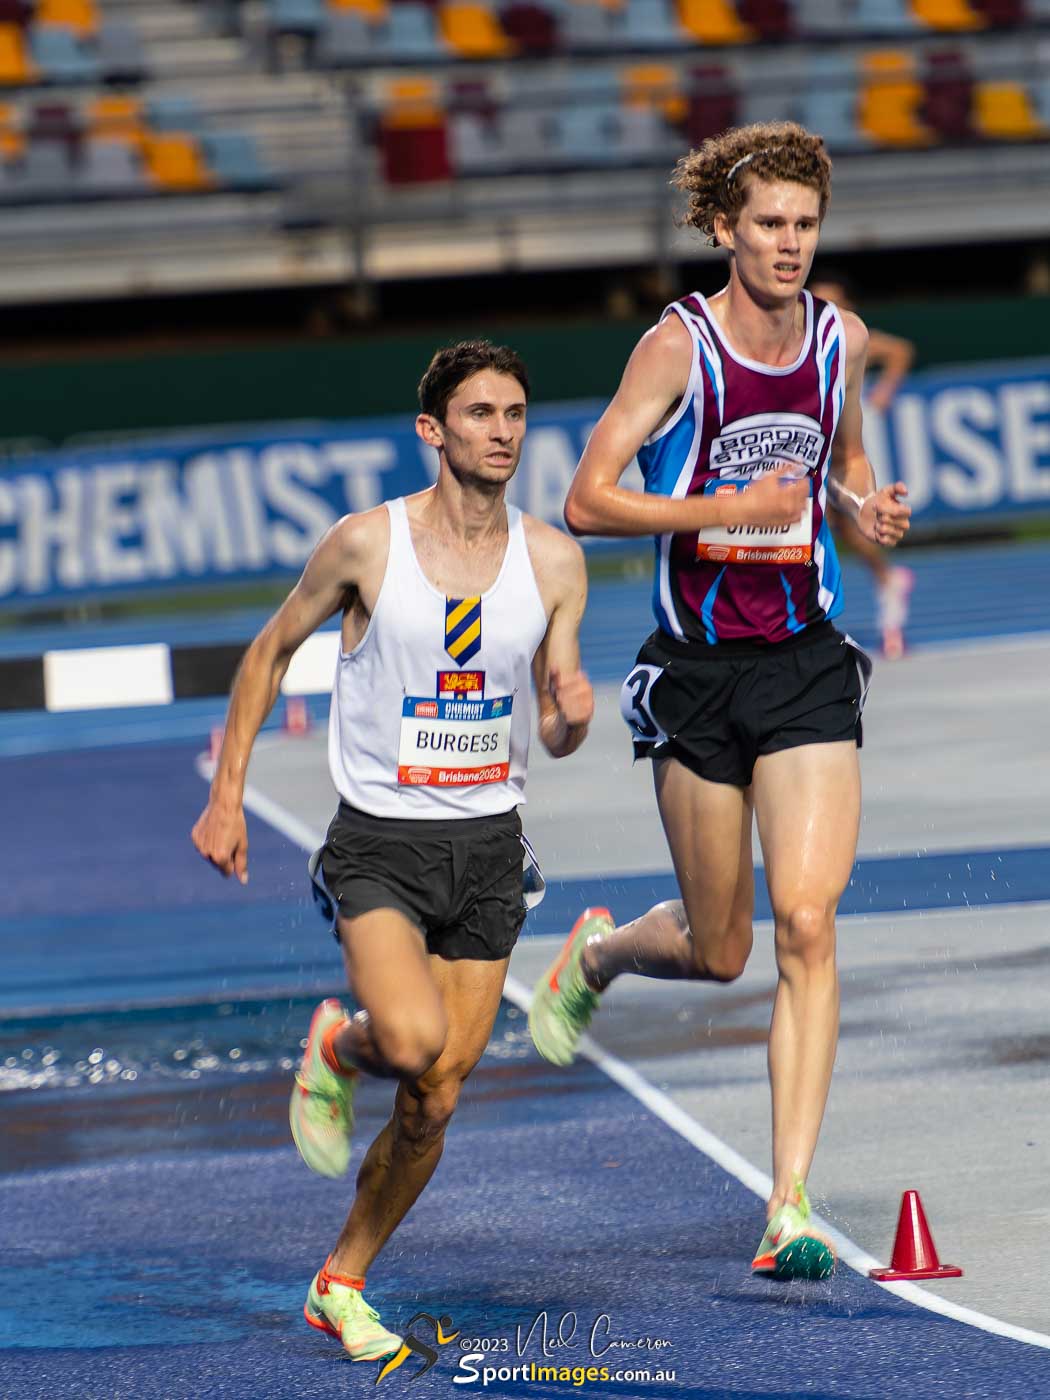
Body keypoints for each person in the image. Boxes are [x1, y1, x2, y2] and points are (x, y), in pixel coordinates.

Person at [528, 123, 910, 1282]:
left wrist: (864, 509)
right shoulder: (677, 349)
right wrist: (724, 510)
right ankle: (599, 955)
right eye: (769, 224)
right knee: (721, 944)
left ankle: (787, 1202)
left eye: (806, 225)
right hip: (696, 675)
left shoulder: (838, 339)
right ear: (723, 229)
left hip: (803, 662)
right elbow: (586, 499)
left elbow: (839, 462)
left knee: (807, 921)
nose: (789, 244)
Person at [192, 340, 593, 1360]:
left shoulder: (554, 561)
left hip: (490, 847)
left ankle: (341, 1279)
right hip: (379, 840)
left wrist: (571, 716)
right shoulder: (368, 545)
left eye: (514, 413)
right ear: (433, 430)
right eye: (479, 413)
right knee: (408, 1043)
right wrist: (226, 798)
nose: (501, 431)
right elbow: (268, 651)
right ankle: (339, 1043)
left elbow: (554, 718)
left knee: (436, 1096)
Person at [809, 270, 917, 659]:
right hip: (814, 447)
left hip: (845, 446)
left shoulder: (853, 340)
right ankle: (887, 584)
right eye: (819, 301)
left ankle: (887, 586)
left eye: (835, 302)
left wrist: (884, 391)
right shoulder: (799, 341)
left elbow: (900, 351)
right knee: (834, 528)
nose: (827, 309)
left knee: (848, 524)